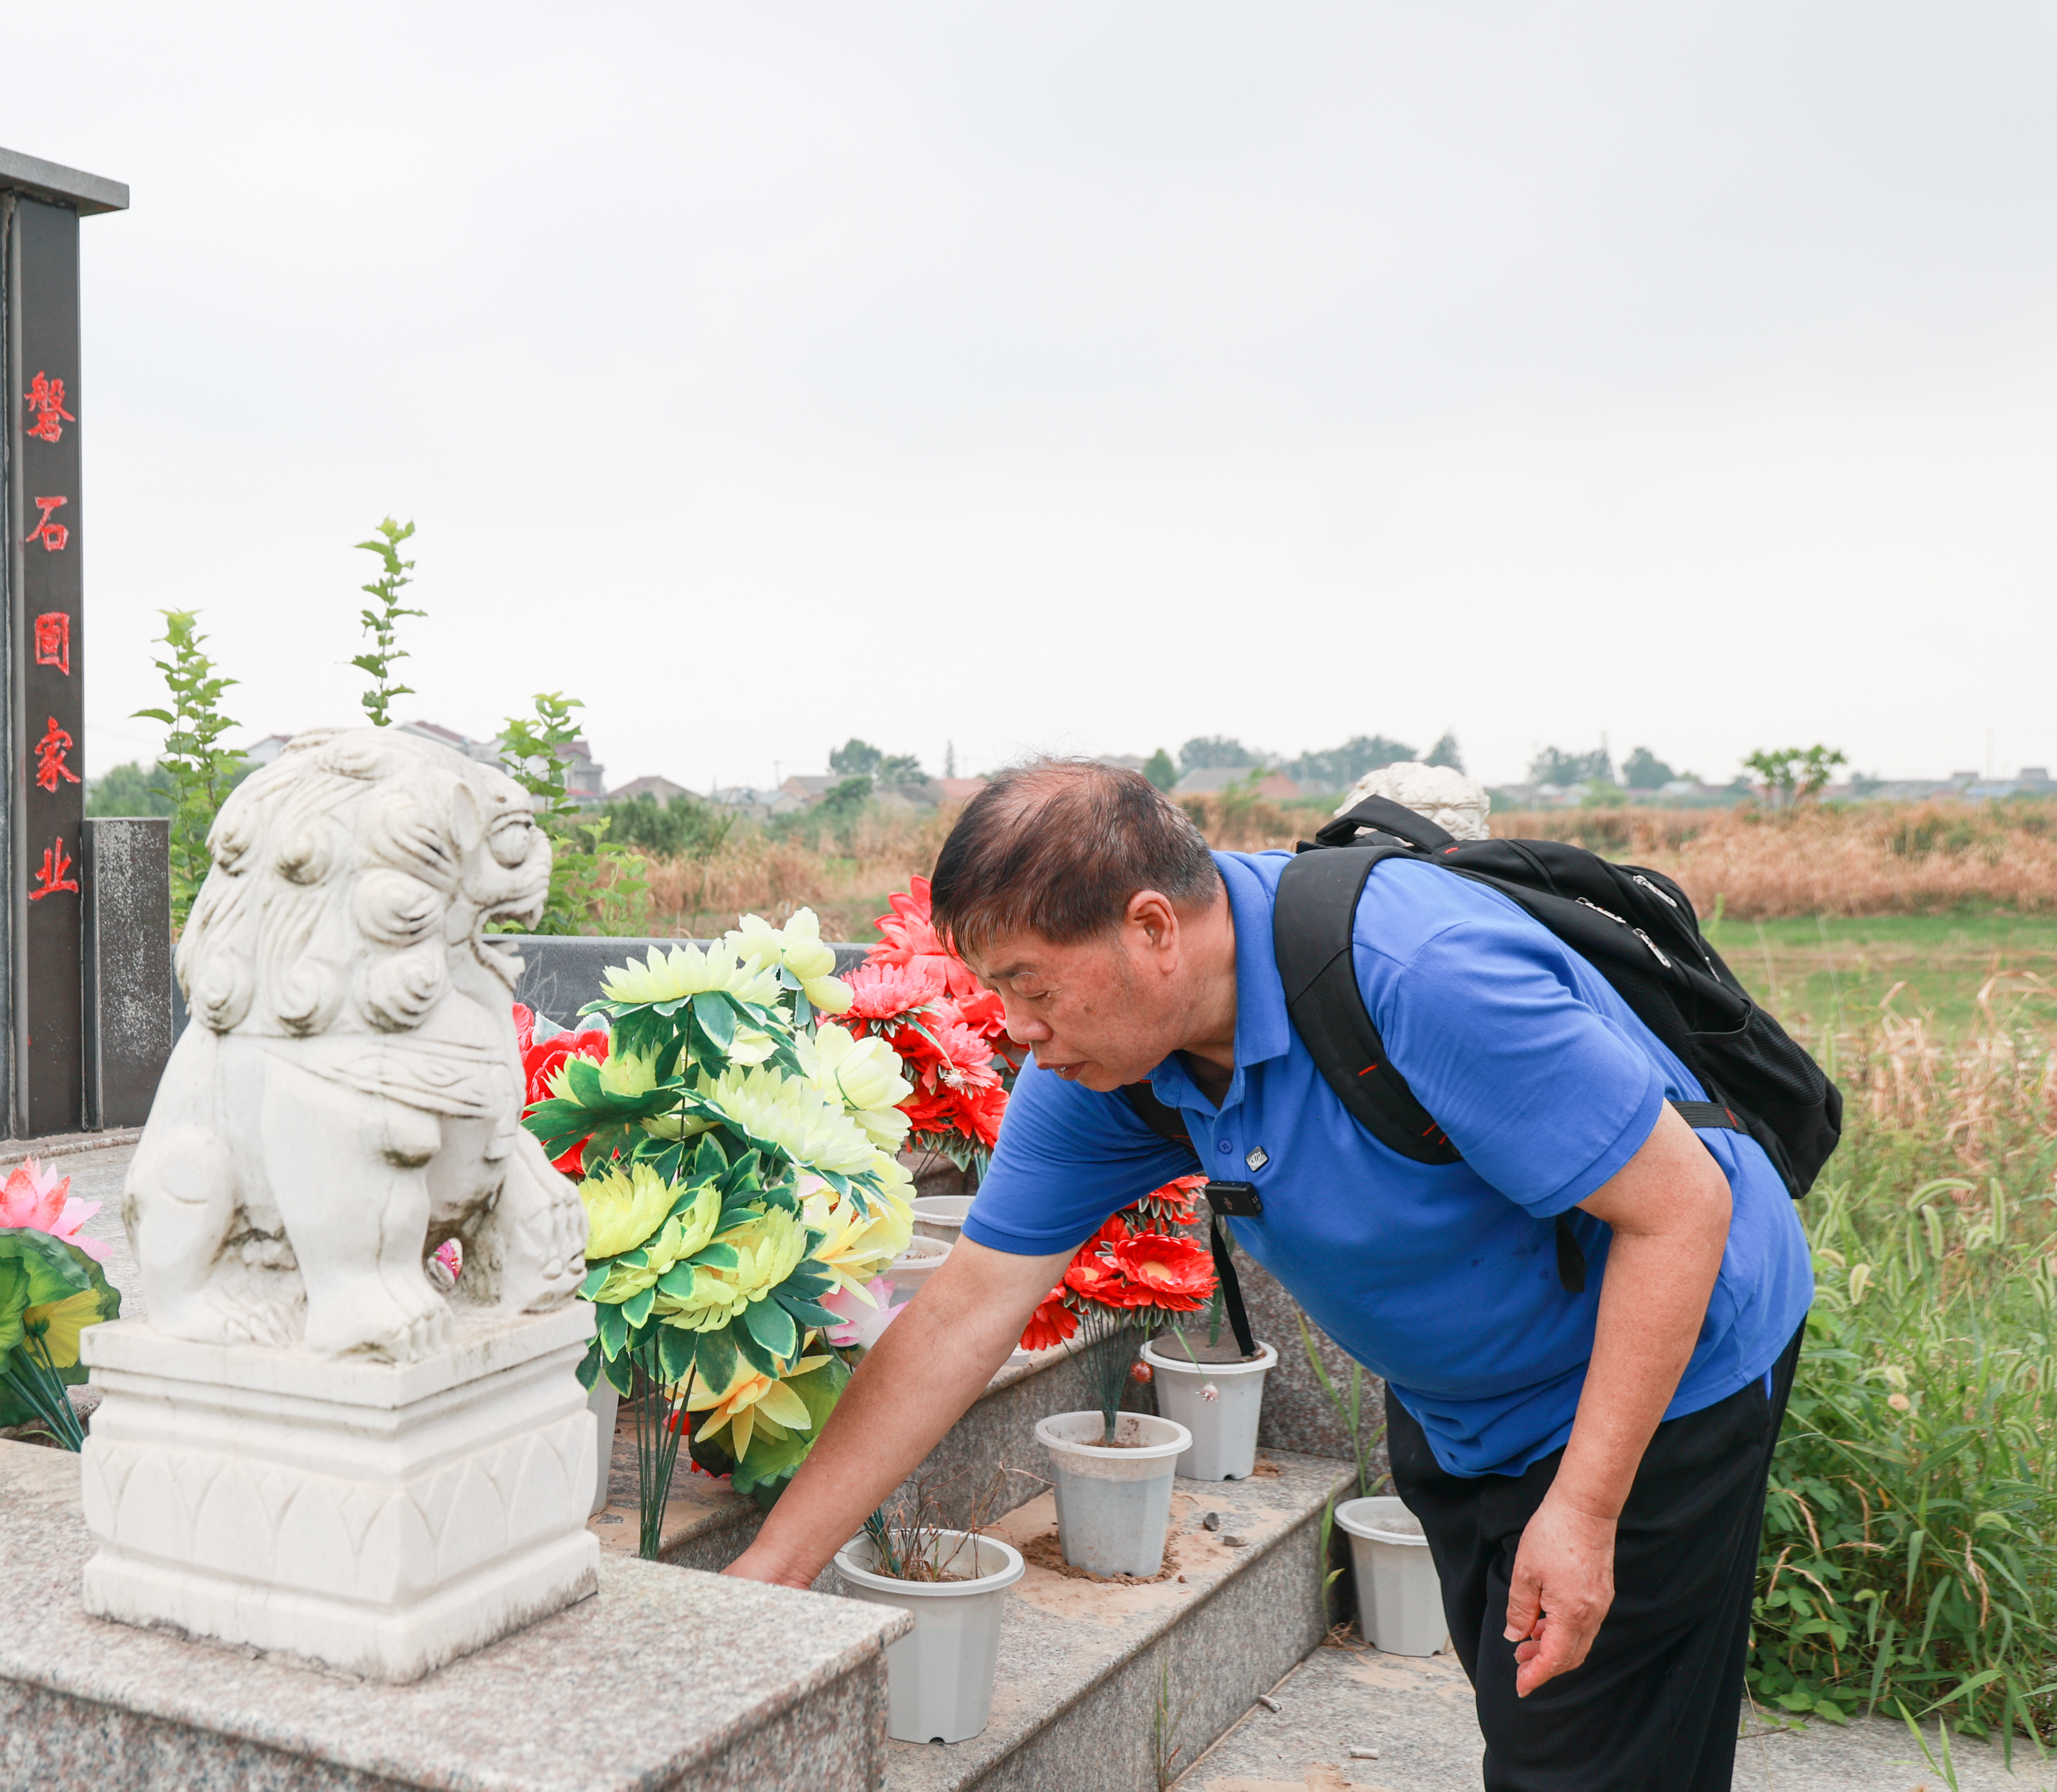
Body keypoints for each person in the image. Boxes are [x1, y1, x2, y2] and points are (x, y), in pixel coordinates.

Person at [725, 760, 1812, 1792]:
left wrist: (1582, 1509)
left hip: (1662, 1372)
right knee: (1571, 1728)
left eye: (1029, 983)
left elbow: (1681, 1211)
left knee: (1573, 1751)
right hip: (1466, 1407)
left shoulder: (1416, 976)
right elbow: (962, 1313)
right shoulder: (1105, 1065)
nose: (1015, 1028)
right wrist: (765, 1584)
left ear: (1153, 928)